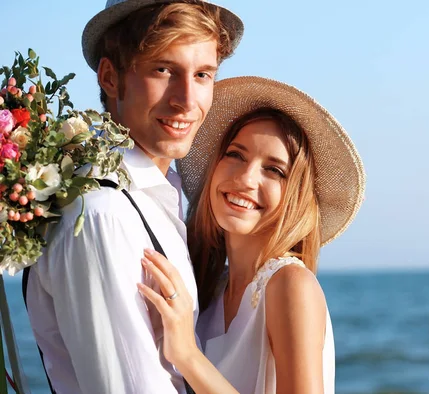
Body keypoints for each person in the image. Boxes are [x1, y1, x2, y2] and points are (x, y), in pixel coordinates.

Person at [23, 1, 243, 393]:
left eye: (203, 74)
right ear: (110, 77)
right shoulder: (101, 213)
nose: (187, 100)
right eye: (164, 70)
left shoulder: (154, 194)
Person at [137, 76, 366, 393]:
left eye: (274, 170)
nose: (245, 178)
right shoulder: (210, 290)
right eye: (235, 155)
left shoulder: (290, 286)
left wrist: (188, 355)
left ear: (296, 196)